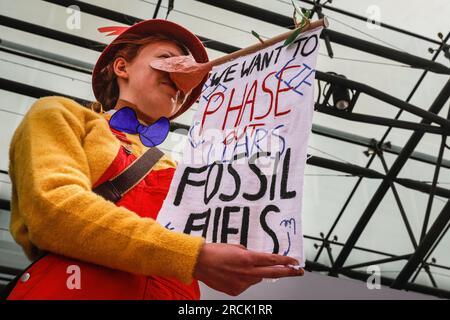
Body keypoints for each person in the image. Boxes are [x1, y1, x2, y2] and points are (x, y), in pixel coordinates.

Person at [5, 19, 304, 300]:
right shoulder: (61, 114)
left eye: (188, 76)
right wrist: (194, 257)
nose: (181, 76)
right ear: (122, 67)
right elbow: (54, 210)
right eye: (167, 58)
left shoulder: (185, 171)